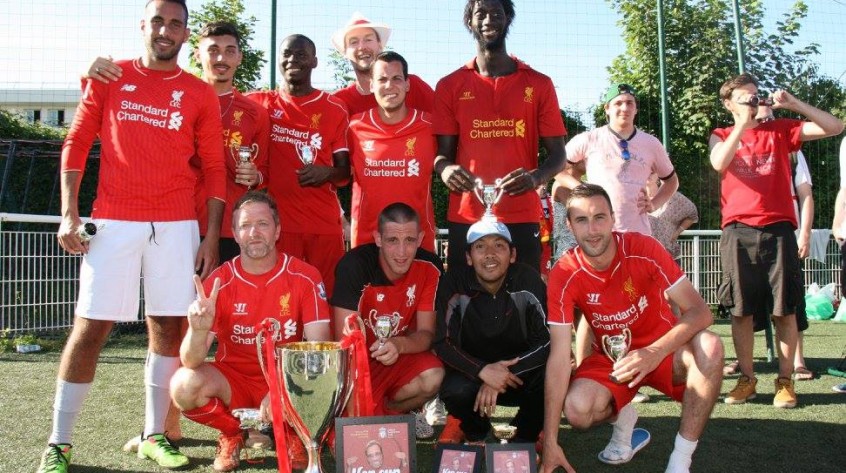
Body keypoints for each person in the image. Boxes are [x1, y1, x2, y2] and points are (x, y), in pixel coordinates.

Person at [37, 2, 227, 472]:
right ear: (143, 25)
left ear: (185, 34)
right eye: (158, 21)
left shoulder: (200, 93)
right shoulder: (109, 76)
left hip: (177, 225)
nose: (166, 30)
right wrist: (68, 214)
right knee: (90, 328)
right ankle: (58, 444)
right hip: (114, 221)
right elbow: (76, 142)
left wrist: (210, 236)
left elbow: (214, 166)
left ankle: (154, 434)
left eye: (175, 24)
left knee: (167, 328)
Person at [84, 20, 272, 449]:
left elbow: (265, 175)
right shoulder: (178, 94)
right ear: (197, 53)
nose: (221, 58)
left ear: (240, 58)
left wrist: (255, 175)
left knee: (246, 326)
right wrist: (89, 70)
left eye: (229, 50)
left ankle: (255, 425)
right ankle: (164, 427)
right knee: (174, 327)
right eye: (213, 50)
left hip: (231, 232)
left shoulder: (254, 112)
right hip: (179, 227)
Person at [542, 184, 723, 473]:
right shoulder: (563, 272)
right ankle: (624, 418)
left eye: (599, 217)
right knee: (577, 410)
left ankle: (679, 462)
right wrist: (551, 441)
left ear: (613, 219)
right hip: (613, 360)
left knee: (710, 346)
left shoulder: (644, 248)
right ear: (569, 225)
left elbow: (700, 311)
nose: (592, 230)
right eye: (582, 220)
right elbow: (559, 357)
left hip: (664, 351)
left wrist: (654, 352)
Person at [170, 192, 331, 472]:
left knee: (319, 377)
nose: (254, 232)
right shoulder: (219, 282)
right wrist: (198, 330)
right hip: (235, 382)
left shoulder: (305, 276)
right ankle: (233, 432)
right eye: (245, 225)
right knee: (183, 385)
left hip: (287, 379)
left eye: (263, 224)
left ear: (277, 230)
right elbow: (190, 361)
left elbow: (319, 350)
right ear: (234, 234)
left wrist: (280, 390)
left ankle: (291, 432)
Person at [710, 73, 843, 408]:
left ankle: (785, 382)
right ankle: (747, 379)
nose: (753, 101)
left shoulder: (781, 130)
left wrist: (794, 104)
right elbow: (718, 162)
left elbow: (835, 126)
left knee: (785, 310)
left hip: (779, 230)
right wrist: (742, 124)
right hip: (737, 230)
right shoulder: (721, 134)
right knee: (740, 311)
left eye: (756, 95)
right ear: (728, 104)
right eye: (745, 97)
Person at [432, 0, 568, 272]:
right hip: (466, 214)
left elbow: (559, 156)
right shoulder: (449, 85)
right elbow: (441, 156)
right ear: (470, 21)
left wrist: (536, 178)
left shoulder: (539, 84)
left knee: (525, 293)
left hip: (521, 214)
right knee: (463, 294)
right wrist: (444, 169)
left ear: (508, 18)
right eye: (480, 14)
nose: (488, 20)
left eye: (497, 13)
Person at [246, 34, 350, 299]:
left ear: (314, 61)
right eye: (287, 54)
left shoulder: (334, 108)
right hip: (280, 226)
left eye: (301, 54)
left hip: (323, 226)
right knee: (283, 300)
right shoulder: (259, 103)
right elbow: (219, 100)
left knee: (326, 298)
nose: (293, 59)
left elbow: (345, 173)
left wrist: (326, 173)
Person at [331, 203, 444, 438]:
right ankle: (371, 412)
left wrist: (398, 345)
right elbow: (344, 343)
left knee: (433, 376)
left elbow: (426, 334)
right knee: (354, 435)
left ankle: (395, 413)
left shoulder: (430, 267)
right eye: (392, 240)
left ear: (420, 239)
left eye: (409, 240)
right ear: (378, 239)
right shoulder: (355, 265)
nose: (402, 252)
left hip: (397, 359)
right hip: (357, 364)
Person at [433, 219, 549, 446]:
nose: (489, 254)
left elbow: (547, 340)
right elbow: (442, 342)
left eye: (498, 245)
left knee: (553, 374)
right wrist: (482, 370)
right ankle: (476, 433)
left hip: (520, 374)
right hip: (473, 377)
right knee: (455, 390)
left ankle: (525, 436)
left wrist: (504, 373)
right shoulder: (454, 282)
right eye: (480, 246)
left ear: (512, 254)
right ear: (469, 257)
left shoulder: (527, 278)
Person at [555, 83, 679, 237]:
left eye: (629, 103)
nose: (624, 108)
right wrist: (582, 189)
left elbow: (672, 181)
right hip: (600, 234)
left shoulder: (652, 144)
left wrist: (654, 204)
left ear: (636, 109)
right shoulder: (589, 139)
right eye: (618, 103)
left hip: (638, 234)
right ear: (607, 108)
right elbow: (556, 169)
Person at [347, 51, 437, 252]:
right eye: (382, 79)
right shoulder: (354, 127)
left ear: (407, 84)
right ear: (371, 85)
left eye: (396, 78)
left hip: (417, 240)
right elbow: (336, 174)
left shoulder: (430, 127)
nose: (389, 86)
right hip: (367, 241)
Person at [331, 12, 434, 116]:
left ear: (380, 45)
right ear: (345, 52)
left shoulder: (413, 85)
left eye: (368, 39)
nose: (362, 47)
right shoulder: (338, 102)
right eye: (354, 42)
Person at [645, 172, 698, 266]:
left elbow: (692, 213)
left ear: (658, 175)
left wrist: (677, 233)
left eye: (652, 172)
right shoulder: (634, 199)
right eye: (646, 170)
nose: (648, 174)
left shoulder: (671, 196)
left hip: (669, 257)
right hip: (643, 258)